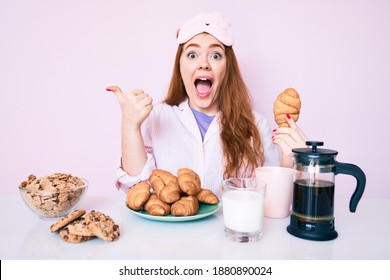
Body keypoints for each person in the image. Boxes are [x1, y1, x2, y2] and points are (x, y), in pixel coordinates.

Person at [106, 12, 307, 198]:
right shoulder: (156, 118)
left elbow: (269, 202)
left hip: (231, 235)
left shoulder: (257, 126)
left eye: (215, 55)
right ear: (180, 66)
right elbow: (135, 193)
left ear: (227, 68)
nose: (204, 64)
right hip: (168, 237)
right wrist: (129, 126)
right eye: (192, 55)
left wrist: (290, 161)